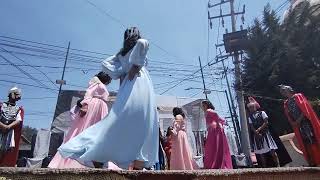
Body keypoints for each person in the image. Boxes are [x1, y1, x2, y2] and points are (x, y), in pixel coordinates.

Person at [58, 27, 159, 170]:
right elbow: (143, 43)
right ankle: (102, 154)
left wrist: (127, 69)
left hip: (130, 86)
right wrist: (135, 64)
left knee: (127, 120)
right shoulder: (132, 50)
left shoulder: (121, 55)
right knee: (138, 121)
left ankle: (102, 155)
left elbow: (105, 64)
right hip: (138, 85)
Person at [48, 72, 112, 168]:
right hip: (94, 107)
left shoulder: (101, 85)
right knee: (86, 130)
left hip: (101, 108)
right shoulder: (96, 82)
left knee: (98, 133)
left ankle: (95, 160)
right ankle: (74, 160)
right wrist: (85, 105)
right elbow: (89, 93)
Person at [280, 85, 320, 166]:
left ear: (289, 90)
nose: (283, 92)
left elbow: (305, 109)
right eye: (281, 91)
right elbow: (289, 115)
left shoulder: (298, 96)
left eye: (284, 90)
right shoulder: (286, 103)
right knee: (305, 143)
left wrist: (298, 120)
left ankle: (318, 160)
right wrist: (293, 123)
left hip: (306, 123)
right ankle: (312, 161)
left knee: (312, 139)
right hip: (298, 126)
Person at [247, 97, 278, 168]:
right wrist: (256, 133)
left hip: (265, 134)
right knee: (261, 153)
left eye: (252, 107)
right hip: (257, 136)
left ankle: (277, 166)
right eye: (250, 108)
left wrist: (259, 129)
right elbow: (251, 126)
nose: (251, 109)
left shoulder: (262, 113)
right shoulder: (250, 117)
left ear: (255, 107)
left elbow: (266, 122)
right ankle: (265, 168)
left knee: (272, 151)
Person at [201, 100, 232, 169]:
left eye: (203, 105)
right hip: (215, 128)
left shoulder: (208, 110)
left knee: (212, 146)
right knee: (216, 146)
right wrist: (221, 123)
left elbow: (215, 114)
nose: (202, 107)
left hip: (214, 128)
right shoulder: (208, 111)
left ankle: (214, 163)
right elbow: (219, 118)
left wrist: (218, 124)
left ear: (207, 105)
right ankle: (218, 162)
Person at [0, 87, 24, 167]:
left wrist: (8, 127)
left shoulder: (18, 109)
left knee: (4, 149)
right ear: (12, 94)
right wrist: (3, 126)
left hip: (8, 131)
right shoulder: (1, 105)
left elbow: (18, 120)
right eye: (16, 94)